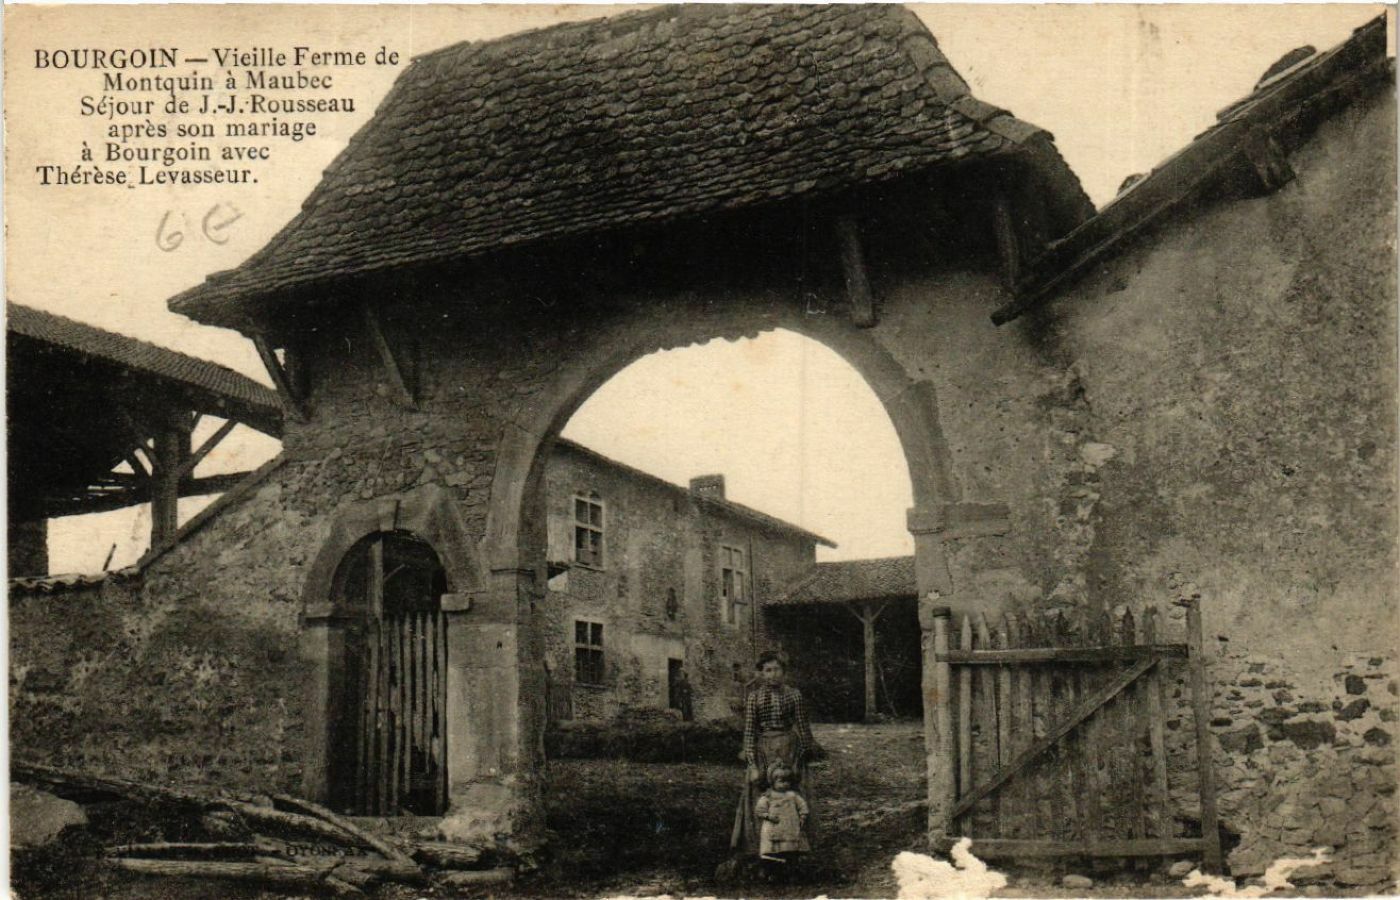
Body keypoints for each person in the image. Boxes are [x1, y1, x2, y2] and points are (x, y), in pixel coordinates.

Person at [730, 650, 816, 854]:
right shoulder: (754, 697)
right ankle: (761, 845)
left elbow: (803, 727)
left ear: (783, 672)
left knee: (792, 791)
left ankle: (795, 844)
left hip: (789, 748)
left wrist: (803, 755)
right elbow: (750, 731)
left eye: (777, 669)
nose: (773, 674)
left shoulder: (793, 694)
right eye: (768, 670)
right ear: (761, 673)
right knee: (762, 792)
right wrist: (752, 764)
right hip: (764, 750)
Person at [755, 763, 810, 860]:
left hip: (791, 824)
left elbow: (802, 805)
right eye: (781, 781)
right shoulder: (768, 796)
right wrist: (768, 816)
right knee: (774, 840)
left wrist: (803, 816)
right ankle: (774, 856)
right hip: (774, 824)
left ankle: (791, 854)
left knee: (791, 840)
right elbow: (759, 810)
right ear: (772, 782)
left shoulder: (792, 795)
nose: (785, 784)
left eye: (788, 781)